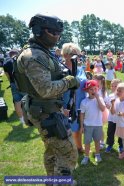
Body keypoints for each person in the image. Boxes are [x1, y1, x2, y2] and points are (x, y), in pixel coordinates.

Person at [14, 13, 79, 178]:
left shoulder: (42, 51)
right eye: (52, 32)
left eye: (59, 33)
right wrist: (70, 81)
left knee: (52, 152)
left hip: (45, 109)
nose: (57, 36)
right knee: (68, 153)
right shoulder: (34, 55)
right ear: (38, 30)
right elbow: (45, 90)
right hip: (45, 112)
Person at [61, 43, 87, 154]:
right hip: (66, 104)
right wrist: (61, 107)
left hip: (80, 103)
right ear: (65, 55)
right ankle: (67, 150)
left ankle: (79, 146)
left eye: (78, 55)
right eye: (73, 54)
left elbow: (84, 83)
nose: (76, 57)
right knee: (66, 129)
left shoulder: (80, 69)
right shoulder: (60, 69)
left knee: (78, 127)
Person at [80, 80, 106, 165]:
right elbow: (82, 114)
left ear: (98, 89)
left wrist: (98, 98)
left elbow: (103, 109)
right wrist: (81, 126)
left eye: (95, 89)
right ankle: (86, 156)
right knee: (87, 142)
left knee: (97, 140)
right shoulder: (84, 102)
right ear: (87, 91)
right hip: (87, 125)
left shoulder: (100, 99)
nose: (93, 91)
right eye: (91, 89)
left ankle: (97, 154)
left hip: (98, 125)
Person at [3, 49, 25, 125]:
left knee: (17, 102)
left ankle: (22, 121)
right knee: (28, 99)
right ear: (16, 53)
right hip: (23, 83)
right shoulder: (20, 59)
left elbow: (7, 75)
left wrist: (11, 82)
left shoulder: (5, 62)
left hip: (13, 83)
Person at [105, 79, 123, 153]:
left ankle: (121, 145)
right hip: (112, 118)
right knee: (110, 132)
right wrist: (108, 105)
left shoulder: (123, 96)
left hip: (120, 119)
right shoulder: (110, 96)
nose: (113, 87)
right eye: (112, 86)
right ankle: (110, 144)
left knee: (121, 133)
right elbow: (108, 106)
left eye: (116, 86)